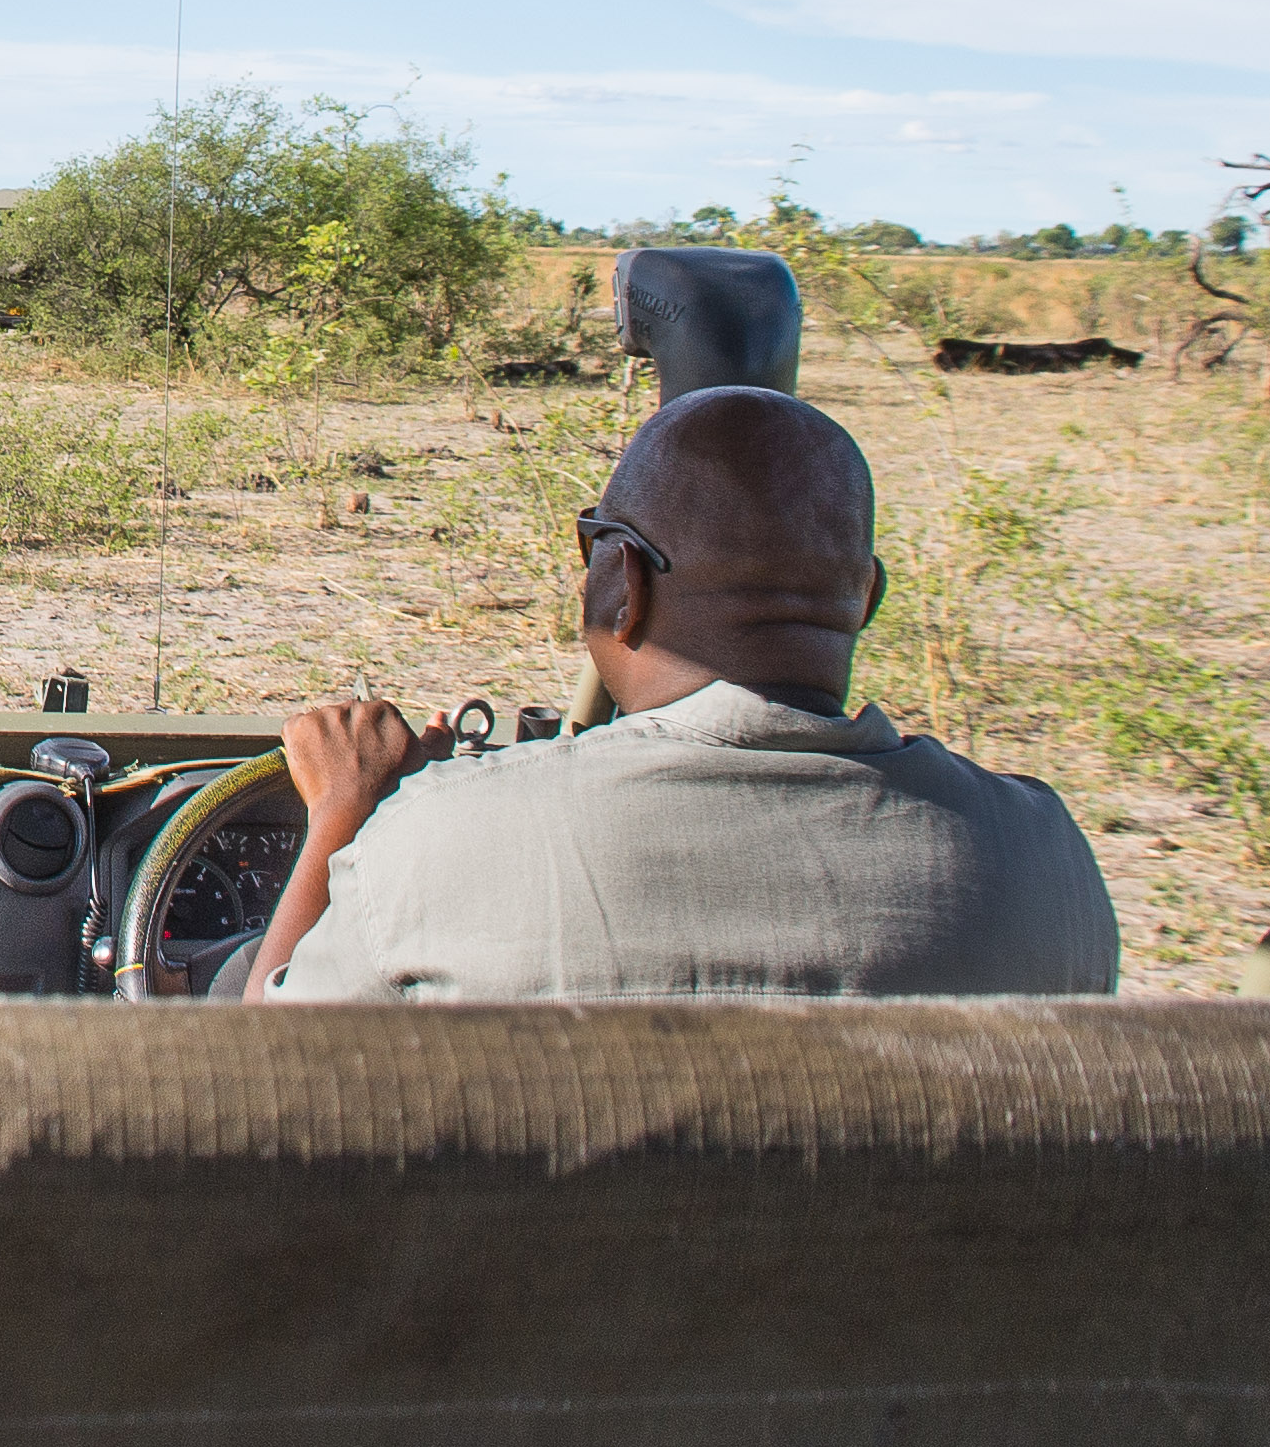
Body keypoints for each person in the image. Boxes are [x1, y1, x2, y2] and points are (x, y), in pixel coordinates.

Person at [244, 385, 1116, 1000]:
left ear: (622, 584)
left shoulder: (443, 838)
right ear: (866, 601)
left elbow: (263, 1082)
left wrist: (343, 816)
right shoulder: (1045, 859)